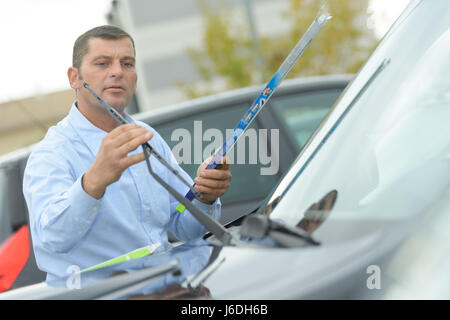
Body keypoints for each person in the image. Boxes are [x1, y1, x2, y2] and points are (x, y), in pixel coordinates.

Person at [23, 25, 232, 283]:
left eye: (127, 63)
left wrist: (203, 196)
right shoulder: (50, 154)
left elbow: (183, 224)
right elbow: (52, 239)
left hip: (167, 288)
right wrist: (92, 184)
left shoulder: (147, 136)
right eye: (102, 63)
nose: (117, 72)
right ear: (74, 78)